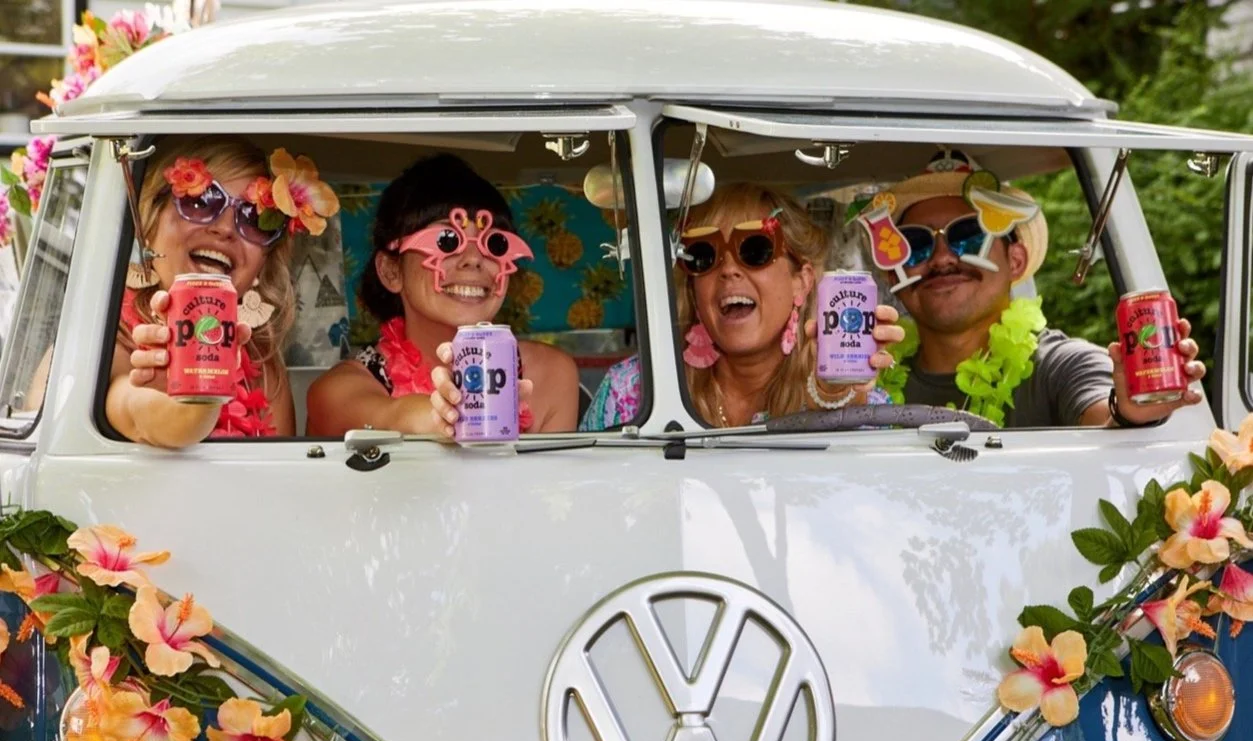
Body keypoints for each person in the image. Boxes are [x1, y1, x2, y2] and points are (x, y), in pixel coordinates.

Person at [857, 149, 1205, 428]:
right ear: (892, 274)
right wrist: (833, 391)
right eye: (915, 244)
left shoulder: (1061, 365)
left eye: (968, 236)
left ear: (1016, 261)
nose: (942, 258)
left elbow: (1103, 412)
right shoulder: (864, 374)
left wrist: (1128, 410)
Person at [581, 182, 903, 430]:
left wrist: (838, 395)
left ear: (801, 282)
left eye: (755, 249)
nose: (728, 270)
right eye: (705, 255)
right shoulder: (631, 392)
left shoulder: (867, 405)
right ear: (693, 287)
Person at [305, 154, 579, 438]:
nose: (473, 259)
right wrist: (451, 414)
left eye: (495, 243)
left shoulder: (550, 374)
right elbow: (390, 417)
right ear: (391, 271)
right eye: (446, 240)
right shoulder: (337, 391)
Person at [102, 135, 339, 447]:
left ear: (263, 263)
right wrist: (192, 392)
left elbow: (278, 475)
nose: (225, 229)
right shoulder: (103, 337)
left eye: (255, 219)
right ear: (149, 223)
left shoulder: (264, 369)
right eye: (200, 202)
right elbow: (137, 413)